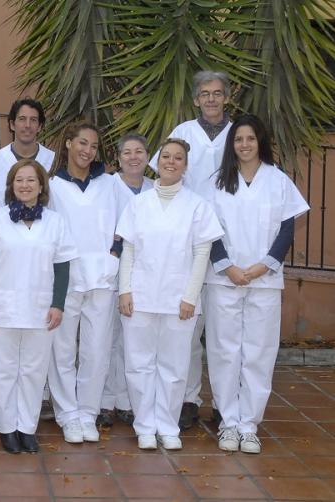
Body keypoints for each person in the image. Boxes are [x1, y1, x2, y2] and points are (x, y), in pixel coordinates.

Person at [205, 115, 308, 454]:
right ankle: (228, 424)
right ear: (231, 145)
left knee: (259, 352)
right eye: (238, 139)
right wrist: (229, 267)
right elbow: (211, 230)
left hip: (265, 279)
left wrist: (264, 266)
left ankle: (249, 425)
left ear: (260, 141)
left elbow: (287, 230)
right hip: (226, 279)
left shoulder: (278, 181)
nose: (244, 145)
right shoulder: (219, 182)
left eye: (250, 138)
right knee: (224, 351)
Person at [117, 138, 223, 451]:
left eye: (178, 158)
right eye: (166, 156)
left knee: (175, 366)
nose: (171, 162)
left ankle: (167, 424)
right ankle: (145, 425)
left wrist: (191, 296)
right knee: (139, 364)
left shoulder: (197, 206)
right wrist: (124, 290)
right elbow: (128, 249)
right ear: (157, 161)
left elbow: (202, 253)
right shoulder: (139, 204)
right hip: (140, 297)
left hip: (180, 300)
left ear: (185, 166)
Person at [0, 159, 77, 454]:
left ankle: (27, 428)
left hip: (41, 309)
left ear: (41, 186)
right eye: (19, 180)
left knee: (33, 370)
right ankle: (7, 428)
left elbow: (63, 266)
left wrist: (58, 304)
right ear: (11, 185)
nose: (25, 185)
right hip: (0, 307)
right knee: (3, 370)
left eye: (31, 180)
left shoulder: (55, 222)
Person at [148, 70, 233, 429]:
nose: (211, 99)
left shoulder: (239, 134)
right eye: (205, 93)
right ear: (196, 98)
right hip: (188, 243)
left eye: (218, 93)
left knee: (224, 334)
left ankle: (227, 407)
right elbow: (161, 175)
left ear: (226, 97)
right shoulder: (183, 133)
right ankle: (187, 399)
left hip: (233, 242)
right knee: (190, 327)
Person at [46, 123, 128, 444]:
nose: (87, 150)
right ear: (68, 144)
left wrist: (114, 253)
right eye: (82, 143)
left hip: (102, 278)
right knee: (62, 349)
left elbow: (126, 223)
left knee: (96, 349)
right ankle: (67, 413)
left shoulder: (109, 184)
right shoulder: (52, 185)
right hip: (65, 279)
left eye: (93, 146)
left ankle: (87, 413)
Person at [99, 133, 153, 427]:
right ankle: (106, 400)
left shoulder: (155, 189)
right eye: (127, 152)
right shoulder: (107, 185)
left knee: (133, 340)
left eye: (139, 152)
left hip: (143, 273)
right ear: (118, 158)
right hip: (111, 267)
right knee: (108, 336)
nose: (134, 157)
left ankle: (127, 400)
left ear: (147, 157)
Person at [0, 98, 55, 202]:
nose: (27, 125)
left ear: (40, 126)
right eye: (22, 119)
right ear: (12, 124)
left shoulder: (54, 161)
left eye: (33, 120)